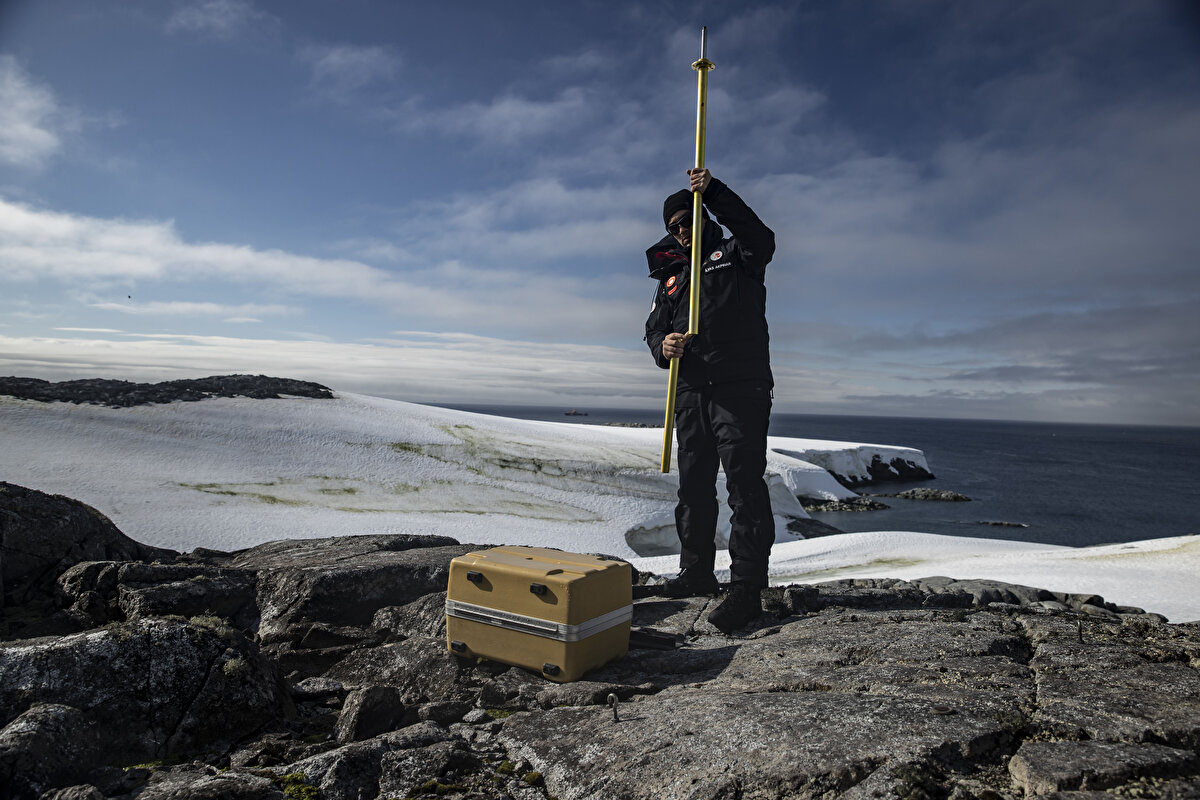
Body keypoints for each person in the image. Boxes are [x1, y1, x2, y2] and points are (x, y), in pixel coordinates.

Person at [644, 167, 776, 634]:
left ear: (703, 217)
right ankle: (695, 572)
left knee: (744, 484)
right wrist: (664, 347)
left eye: (687, 219)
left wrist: (714, 192)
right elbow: (652, 329)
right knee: (694, 486)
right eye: (673, 225)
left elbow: (760, 235)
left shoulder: (738, 254)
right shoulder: (672, 276)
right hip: (691, 391)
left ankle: (746, 587)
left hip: (740, 387)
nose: (681, 230)